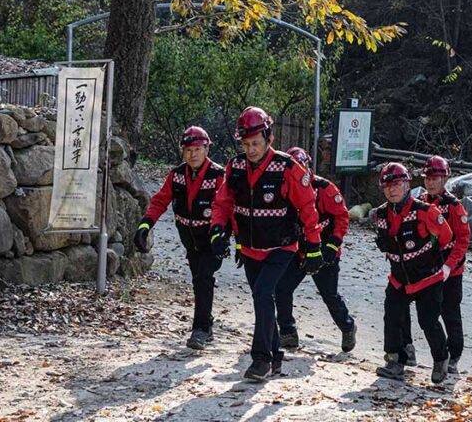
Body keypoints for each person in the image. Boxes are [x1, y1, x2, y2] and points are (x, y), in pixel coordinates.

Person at [209, 107, 324, 381]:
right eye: (246, 144)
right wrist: (217, 230)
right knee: (262, 301)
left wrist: (315, 245)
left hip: (281, 247)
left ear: (269, 138)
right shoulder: (235, 167)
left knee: (262, 294)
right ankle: (276, 357)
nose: (250, 150)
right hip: (250, 248)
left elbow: (308, 207)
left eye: (256, 144)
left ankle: (260, 359)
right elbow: (222, 202)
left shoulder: (288, 168)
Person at [133, 126, 227, 350]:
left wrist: (226, 236)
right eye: (188, 150)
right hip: (189, 238)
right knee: (199, 280)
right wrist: (145, 226)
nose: (193, 154)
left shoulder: (218, 175)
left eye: (197, 149)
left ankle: (200, 330)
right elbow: (160, 201)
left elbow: (226, 207)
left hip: (212, 239)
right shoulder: (176, 175)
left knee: (204, 277)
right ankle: (207, 321)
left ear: (206, 149)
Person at [371, 161, 453, 385]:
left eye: (397, 184)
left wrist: (443, 266)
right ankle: (395, 360)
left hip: (428, 278)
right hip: (399, 279)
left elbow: (446, 238)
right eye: (387, 186)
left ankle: (440, 359)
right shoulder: (380, 215)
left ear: (407, 185)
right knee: (392, 315)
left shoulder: (426, 212)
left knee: (428, 321)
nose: (392, 190)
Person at [274, 147, 357, 353]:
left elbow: (342, 218)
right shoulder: (283, 189)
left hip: (324, 250)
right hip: (298, 250)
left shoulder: (324, 188)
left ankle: (347, 326)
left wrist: (332, 246)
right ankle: (288, 332)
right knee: (282, 288)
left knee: (329, 295)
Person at [414, 156, 470, 376]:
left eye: (435, 178)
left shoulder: (454, 207)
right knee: (428, 312)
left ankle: (454, 355)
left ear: (445, 178)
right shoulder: (421, 202)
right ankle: (438, 353)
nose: (431, 182)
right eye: (428, 178)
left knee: (450, 313)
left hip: (452, 271)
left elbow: (463, 240)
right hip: (428, 269)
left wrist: (449, 265)